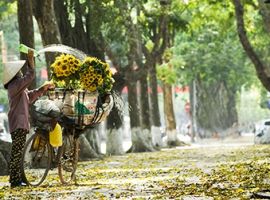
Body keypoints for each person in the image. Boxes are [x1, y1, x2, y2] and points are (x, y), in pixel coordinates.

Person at [2, 49, 54, 188]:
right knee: (17, 152)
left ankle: (17, 179)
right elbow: (30, 76)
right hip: (18, 123)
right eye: (19, 71)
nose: (20, 72)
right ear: (14, 74)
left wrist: (43, 88)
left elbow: (30, 96)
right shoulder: (14, 86)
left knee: (18, 152)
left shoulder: (19, 88)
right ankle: (15, 181)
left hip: (21, 123)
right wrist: (30, 60)